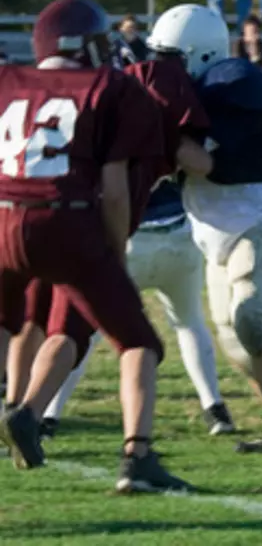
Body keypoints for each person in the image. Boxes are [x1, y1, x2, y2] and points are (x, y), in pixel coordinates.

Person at [0, 0, 192, 491]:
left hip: (4, 217)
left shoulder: (8, 82)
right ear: (83, 44)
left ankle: (19, 406)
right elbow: (112, 185)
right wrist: (113, 249)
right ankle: (138, 458)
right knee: (137, 341)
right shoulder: (112, 86)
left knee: (10, 323)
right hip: (68, 221)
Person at [148, 3, 262, 457]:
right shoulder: (193, 90)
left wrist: (155, 125)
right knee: (233, 337)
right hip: (221, 233)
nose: (160, 69)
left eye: (169, 59)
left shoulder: (235, 82)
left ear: (200, 56)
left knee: (251, 317)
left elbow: (203, 161)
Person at [39, 53, 234, 440]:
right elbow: (195, 160)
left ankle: (47, 414)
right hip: (177, 235)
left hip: (129, 237)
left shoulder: (105, 110)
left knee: (87, 330)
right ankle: (215, 408)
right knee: (189, 321)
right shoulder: (175, 103)